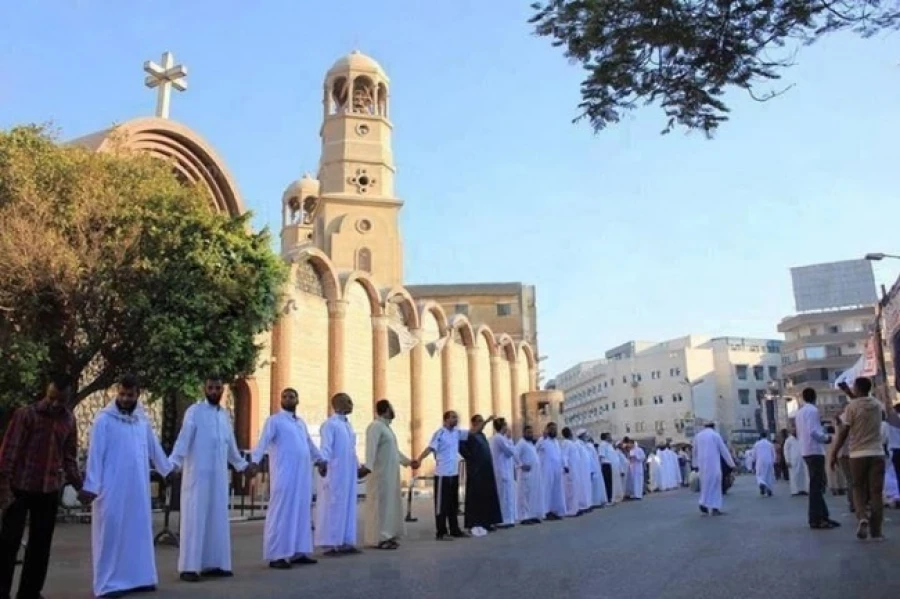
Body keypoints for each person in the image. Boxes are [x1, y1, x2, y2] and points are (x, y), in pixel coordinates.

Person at [80, 374, 173, 598]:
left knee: (138, 532)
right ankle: (108, 584)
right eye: (121, 394)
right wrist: (91, 485)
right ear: (116, 393)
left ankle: (141, 578)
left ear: (137, 395)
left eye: (129, 395)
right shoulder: (104, 420)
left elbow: (154, 448)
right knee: (110, 534)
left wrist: (167, 469)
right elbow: (95, 454)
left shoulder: (142, 421)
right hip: (111, 489)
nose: (124, 398)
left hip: (138, 489)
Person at [0, 375, 83, 599]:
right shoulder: (26, 415)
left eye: (61, 400)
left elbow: (69, 457)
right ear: (47, 392)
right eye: (52, 398)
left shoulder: (69, 421)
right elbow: (9, 453)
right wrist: (4, 488)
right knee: (8, 545)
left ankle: (29, 593)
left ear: (68, 398)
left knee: (40, 547)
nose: (55, 404)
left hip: (48, 490)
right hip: (20, 487)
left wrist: (79, 486)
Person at [170, 376, 255, 582]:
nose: (215, 391)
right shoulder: (195, 412)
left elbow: (230, 446)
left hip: (218, 478)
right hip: (197, 476)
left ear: (222, 390)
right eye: (211, 387)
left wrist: (242, 465)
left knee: (217, 519)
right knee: (195, 519)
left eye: (218, 388)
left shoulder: (224, 415)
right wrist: (173, 464)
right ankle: (190, 567)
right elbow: (183, 440)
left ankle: (214, 563)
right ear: (204, 389)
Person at [249, 387, 325, 568]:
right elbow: (263, 443)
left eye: (292, 396)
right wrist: (254, 461)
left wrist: (321, 460)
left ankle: (299, 551)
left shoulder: (300, 423)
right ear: (281, 400)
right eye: (284, 396)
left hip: (302, 476)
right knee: (281, 512)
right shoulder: (274, 421)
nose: (288, 399)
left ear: (297, 400)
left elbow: (310, 444)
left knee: (301, 512)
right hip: (284, 474)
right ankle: (277, 555)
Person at [830, 377, 886, 541]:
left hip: (857, 454)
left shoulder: (851, 407)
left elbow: (844, 432)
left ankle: (862, 516)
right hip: (877, 452)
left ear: (857, 389)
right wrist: (848, 392)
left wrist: (834, 452)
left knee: (858, 488)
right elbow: (864, 406)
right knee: (876, 492)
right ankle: (876, 531)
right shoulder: (877, 405)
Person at [363, 399, 417, 550]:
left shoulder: (386, 428)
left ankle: (389, 534)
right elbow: (371, 449)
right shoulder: (375, 427)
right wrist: (368, 466)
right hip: (380, 474)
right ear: (386, 410)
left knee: (390, 506)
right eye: (391, 408)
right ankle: (379, 538)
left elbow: (394, 452)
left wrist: (408, 462)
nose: (393, 411)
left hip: (390, 474)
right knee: (380, 505)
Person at [316, 392, 365, 556]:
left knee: (348, 505)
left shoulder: (348, 426)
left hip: (348, 472)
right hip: (335, 471)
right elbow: (326, 447)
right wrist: (323, 461)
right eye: (348, 401)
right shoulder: (330, 425)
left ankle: (345, 541)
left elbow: (351, 449)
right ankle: (329, 543)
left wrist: (357, 466)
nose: (352, 404)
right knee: (333, 506)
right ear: (337, 404)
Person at [414, 410, 472, 540]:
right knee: (442, 505)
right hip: (442, 475)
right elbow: (430, 448)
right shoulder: (440, 434)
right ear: (445, 420)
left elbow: (473, 432)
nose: (455, 420)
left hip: (454, 473)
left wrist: (485, 422)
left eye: (456, 417)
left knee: (453, 504)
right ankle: (441, 532)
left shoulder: (457, 433)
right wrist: (419, 459)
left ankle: (455, 529)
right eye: (452, 418)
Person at [795, 387, 840, 530]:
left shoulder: (800, 412)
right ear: (815, 397)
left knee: (817, 484)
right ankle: (816, 519)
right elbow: (813, 431)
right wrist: (826, 438)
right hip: (815, 450)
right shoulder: (813, 411)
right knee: (817, 485)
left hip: (805, 450)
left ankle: (823, 515)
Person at [458, 414, 501, 534]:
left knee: (487, 496)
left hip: (486, 471)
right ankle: (474, 522)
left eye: (482, 420)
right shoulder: (468, 434)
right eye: (479, 421)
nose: (482, 423)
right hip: (476, 472)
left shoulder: (481, 436)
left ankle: (486, 522)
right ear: (474, 423)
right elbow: (461, 448)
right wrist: (470, 458)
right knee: (475, 497)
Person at [693, 423, 734, 515]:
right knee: (716, 485)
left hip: (702, 465)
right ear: (713, 427)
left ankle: (703, 502)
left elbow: (694, 451)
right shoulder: (715, 435)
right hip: (713, 464)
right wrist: (731, 463)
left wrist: (695, 464)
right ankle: (715, 507)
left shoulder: (698, 436)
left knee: (705, 485)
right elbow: (723, 450)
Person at [489, 418, 517, 528]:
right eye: (506, 425)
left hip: (504, 470)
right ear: (502, 426)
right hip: (502, 471)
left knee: (507, 495)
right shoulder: (499, 438)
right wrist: (510, 440)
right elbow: (510, 452)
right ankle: (503, 520)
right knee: (504, 496)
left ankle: (508, 518)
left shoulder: (499, 438)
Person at [535, 422, 566, 520]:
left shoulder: (556, 442)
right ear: (547, 430)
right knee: (547, 490)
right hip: (547, 470)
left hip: (557, 469)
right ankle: (546, 511)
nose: (553, 431)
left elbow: (559, 455)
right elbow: (535, 449)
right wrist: (543, 438)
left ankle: (555, 510)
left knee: (557, 490)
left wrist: (563, 465)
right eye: (551, 429)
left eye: (555, 429)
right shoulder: (543, 440)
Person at [515, 425, 543, 524]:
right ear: (524, 433)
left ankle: (532, 515)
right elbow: (515, 454)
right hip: (525, 473)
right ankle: (524, 517)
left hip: (534, 474)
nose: (530, 434)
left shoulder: (531, 444)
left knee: (533, 495)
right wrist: (521, 465)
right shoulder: (521, 443)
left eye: (531, 432)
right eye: (528, 432)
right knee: (525, 495)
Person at [560, 427, 582, 515]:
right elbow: (564, 455)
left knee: (575, 488)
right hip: (570, 469)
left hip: (575, 468)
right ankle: (571, 510)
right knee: (570, 490)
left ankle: (576, 508)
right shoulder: (566, 443)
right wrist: (565, 466)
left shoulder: (571, 443)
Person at [784, 426, 809, 496]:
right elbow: (786, 451)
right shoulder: (788, 440)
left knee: (804, 474)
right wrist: (787, 460)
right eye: (793, 431)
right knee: (794, 475)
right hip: (793, 460)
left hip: (803, 459)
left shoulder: (802, 438)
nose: (794, 432)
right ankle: (795, 491)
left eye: (795, 430)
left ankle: (805, 489)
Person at [597, 433, 615, 500]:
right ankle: (608, 498)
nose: (611, 438)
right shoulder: (602, 445)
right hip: (605, 464)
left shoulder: (609, 445)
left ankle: (610, 497)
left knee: (610, 482)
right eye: (610, 436)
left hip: (609, 464)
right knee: (607, 482)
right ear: (606, 437)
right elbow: (601, 455)